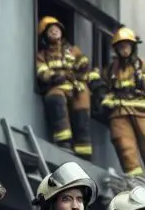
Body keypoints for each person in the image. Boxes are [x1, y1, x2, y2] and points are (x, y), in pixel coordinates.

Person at [102, 26, 145, 186]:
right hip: (119, 113)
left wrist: (144, 80)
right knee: (125, 146)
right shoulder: (111, 69)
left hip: (141, 110)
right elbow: (102, 86)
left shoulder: (141, 65)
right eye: (121, 46)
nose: (124, 49)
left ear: (133, 47)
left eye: (127, 46)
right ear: (116, 49)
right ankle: (136, 182)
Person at [35, 16, 99, 158]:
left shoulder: (72, 50)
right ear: (44, 35)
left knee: (82, 107)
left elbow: (83, 63)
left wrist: (82, 66)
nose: (54, 31)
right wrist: (52, 77)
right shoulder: (42, 54)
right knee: (55, 99)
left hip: (75, 85)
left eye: (56, 29)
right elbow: (41, 70)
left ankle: (84, 150)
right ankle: (64, 141)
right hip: (57, 85)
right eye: (50, 30)